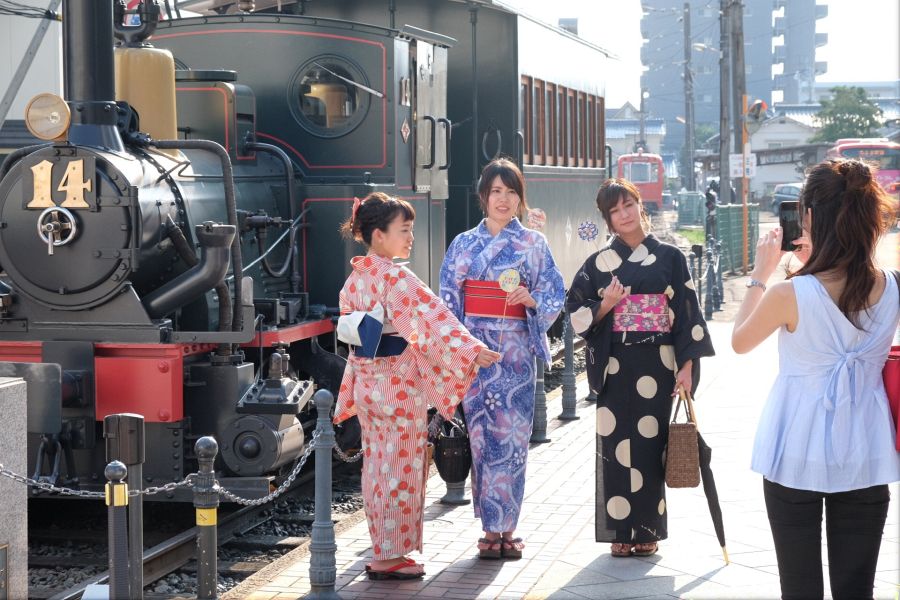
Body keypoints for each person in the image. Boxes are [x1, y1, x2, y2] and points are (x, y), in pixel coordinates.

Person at [731, 159, 900, 600]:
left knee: (799, 588)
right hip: (866, 449)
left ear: (810, 219)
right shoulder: (894, 287)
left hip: (794, 449)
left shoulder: (789, 293)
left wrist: (760, 274)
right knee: (857, 589)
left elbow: (739, 341)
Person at [334, 192, 501, 580]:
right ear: (378, 235)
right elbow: (433, 320)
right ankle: (390, 556)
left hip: (367, 382)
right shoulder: (395, 277)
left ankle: (381, 547)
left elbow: (354, 329)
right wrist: (471, 349)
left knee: (377, 466)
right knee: (401, 467)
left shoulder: (356, 277)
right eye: (404, 230)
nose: (410, 238)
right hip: (397, 386)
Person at [565, 178, 714, 558]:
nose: (623, 215)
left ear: (639, 205)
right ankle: (619, 529)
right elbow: (576, 312)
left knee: (649, 445)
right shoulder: (599, 263)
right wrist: (606, 305)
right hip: (616, 364)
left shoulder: (670, 257)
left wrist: (687, 366)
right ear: (608, 220)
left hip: (658, 362)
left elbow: (686, 314)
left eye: (627, 205)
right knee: (614, 446)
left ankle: (647, 529)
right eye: (614, 211)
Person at [439, 158, 565, 560]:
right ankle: (490, 527)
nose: (504, 199)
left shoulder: (533, 244)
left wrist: (531, 302)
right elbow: (448, 303)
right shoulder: (463, 244)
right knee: (481, 441)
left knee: (512, 445)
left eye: (511, 192)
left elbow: (553, 294)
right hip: (478, 357)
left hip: (514, 356)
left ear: (520, 199)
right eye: (496, 191)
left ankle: (506, 527)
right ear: (483, 196)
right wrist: (465, 352)